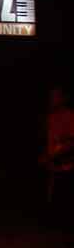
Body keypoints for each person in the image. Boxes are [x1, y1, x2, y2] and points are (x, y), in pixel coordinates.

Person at [41, 85, 74, 230]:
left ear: (63, 98)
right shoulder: (50, 117)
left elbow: (71, 140)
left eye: (56, 96)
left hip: (66, 162)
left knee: (65, 194)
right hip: (53, 161)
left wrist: (59, 152)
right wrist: (47, 155)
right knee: (52, 192)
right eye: (51, 96)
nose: (52, 100)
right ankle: (52, 223)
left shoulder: (69, 116)